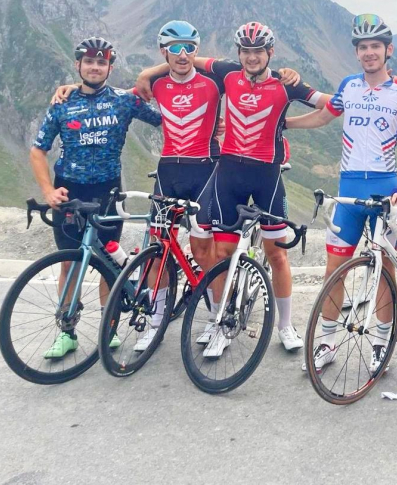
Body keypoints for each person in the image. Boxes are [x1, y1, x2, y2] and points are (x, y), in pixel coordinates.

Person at [137, 21, 319, 355]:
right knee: (179, 250)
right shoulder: (220, 73)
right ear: (238, 54)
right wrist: (145, 72)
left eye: (258, 51)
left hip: (237, 172)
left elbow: (326, 105)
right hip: (196, 172)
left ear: (269, 53)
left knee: (276, 254)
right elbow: (128, 94)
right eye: (246, 52)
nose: (252, 57)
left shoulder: (231, 80)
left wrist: (289, 118)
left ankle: (285, 325)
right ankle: (170, 322)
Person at [286, 14, 397, 374]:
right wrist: (283, 124)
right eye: (363, 47)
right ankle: (327, 341)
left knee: (385, 271)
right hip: (348, 189)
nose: (369, 53)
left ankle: (381, 343)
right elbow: (322, 116)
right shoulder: (349, 86)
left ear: (388, 50)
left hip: (386, 191)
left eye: (375, 47)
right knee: (334, 270)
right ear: (357, 52)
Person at [30, 37, 162, 359]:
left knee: (107, 261)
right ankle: (67, 332)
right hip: (69, 192)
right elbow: (38, 150)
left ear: (109, 67)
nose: (94, 66)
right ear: (78, 66)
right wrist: (48, 191)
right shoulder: (62, 102)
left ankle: (110, 327)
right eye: (88, 62)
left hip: (107, 192)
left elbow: (166, 119)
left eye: (101, 62)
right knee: (69, 264)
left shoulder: (123, 101)